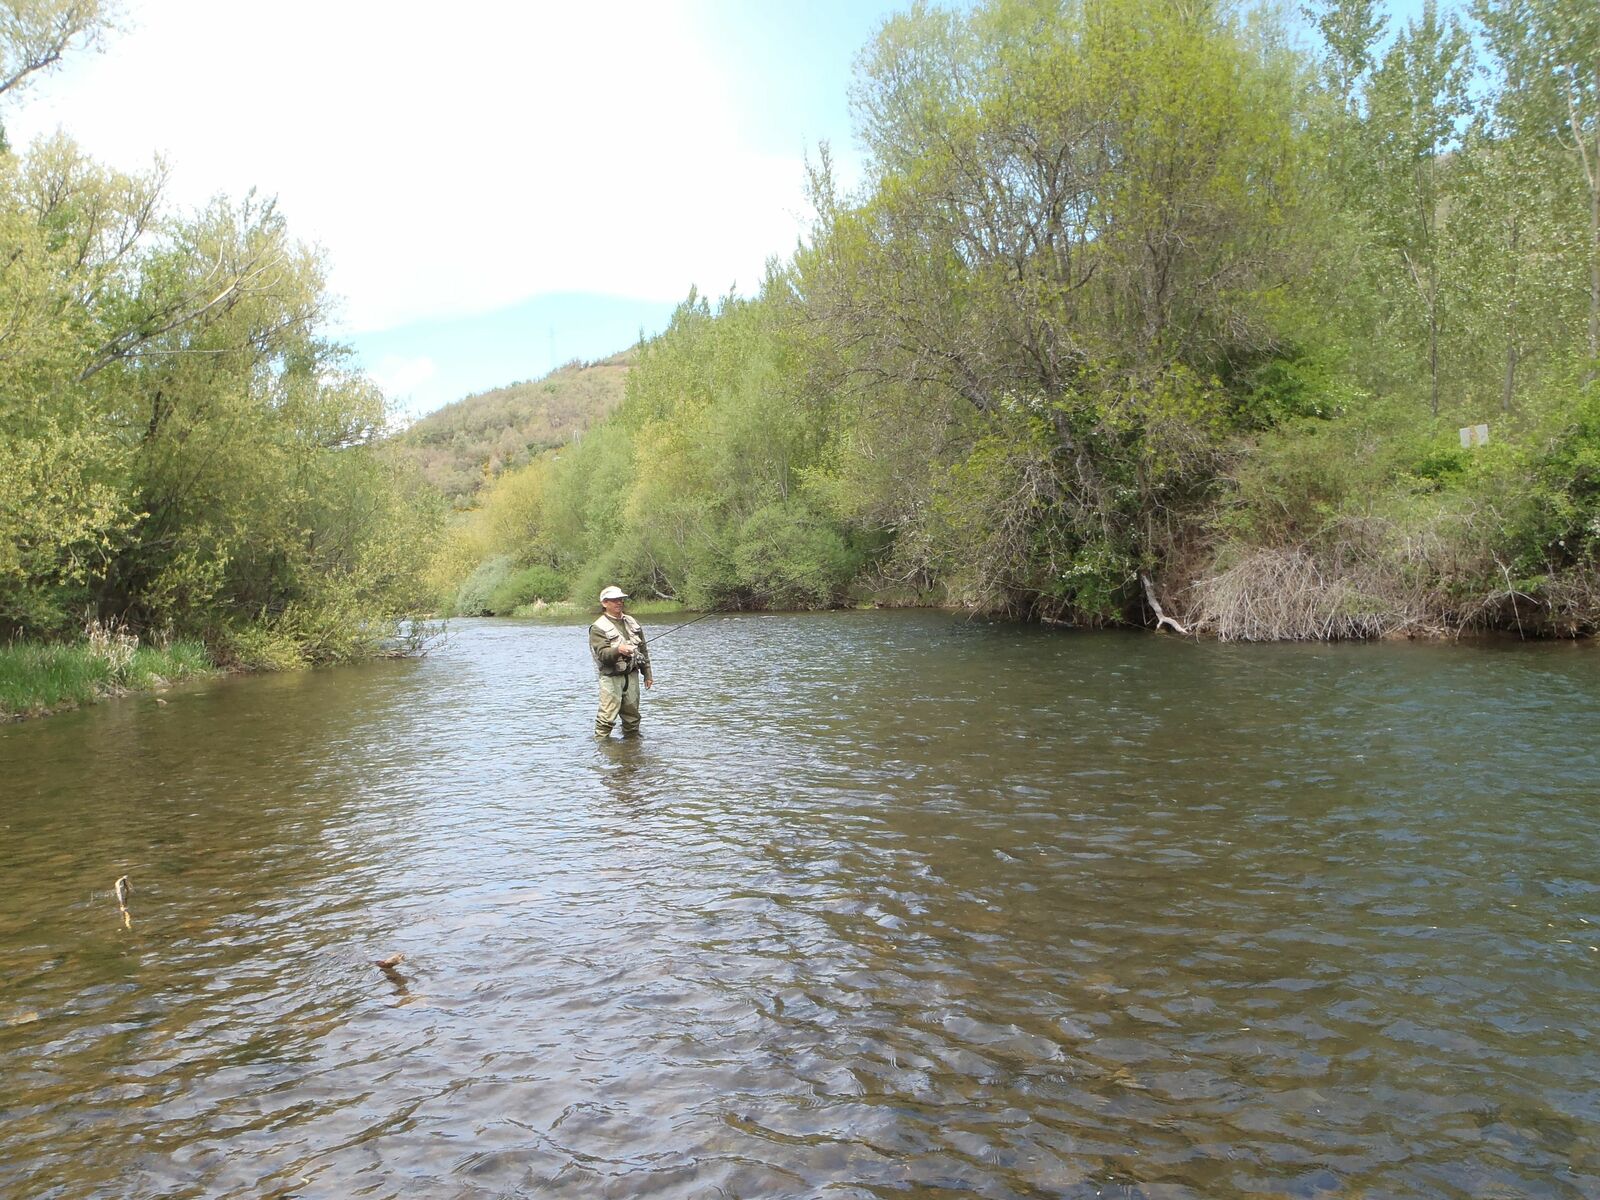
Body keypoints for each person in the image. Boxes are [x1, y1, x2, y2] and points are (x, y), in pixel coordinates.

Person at [589, 585, 653, 737]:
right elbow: (603, 654)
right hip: (610, 678)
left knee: (632, 719)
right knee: (606, 720)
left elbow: (643, 650)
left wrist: (647, 674)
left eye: (621, 599)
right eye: (614, 600)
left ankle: (632, 750)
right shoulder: (598, 628)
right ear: (604, 603)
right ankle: (602, 751)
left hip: (632, 674)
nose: (619, 602)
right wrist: (619, 650)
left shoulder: (632, 622)